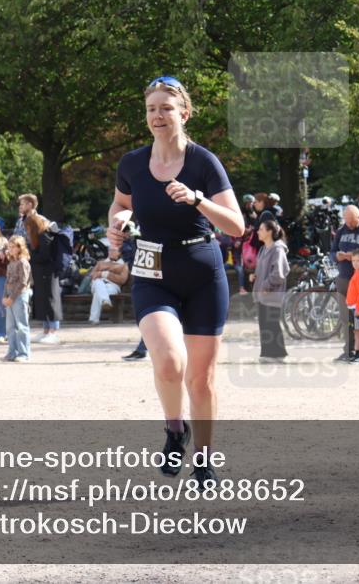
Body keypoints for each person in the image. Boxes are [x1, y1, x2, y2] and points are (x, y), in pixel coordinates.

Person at [106, 75, 244, 489]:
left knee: (201, 379)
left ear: (184, 114)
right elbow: (121, 203)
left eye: (166, 108)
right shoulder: (132, 164)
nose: (158, 116)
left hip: (202, 272)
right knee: (168, 361)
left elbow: (236, 226)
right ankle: (174, 429)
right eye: (151, 109)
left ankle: (203, 461)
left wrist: (198, 199)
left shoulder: (204, 162)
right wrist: (119, 220)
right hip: (153, 270)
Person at [330, 205, 359, 360]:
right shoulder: (341, 231)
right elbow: (332, 251)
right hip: (344, 278)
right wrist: (337, 256)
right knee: (345, 318)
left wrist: (357, 256)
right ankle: (348, 350)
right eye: (346, 221)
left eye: (352, 221)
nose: (349, 224)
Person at [251, 219, 289, 362]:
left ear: (269, 232)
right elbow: (263, 270)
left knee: (272, 324)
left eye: (261, 229)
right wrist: (255, 276)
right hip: (262, 294)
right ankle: (267, 354)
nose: (258, 232)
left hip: (271, 294)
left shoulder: (278, 249)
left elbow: (279, 273)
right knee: (264, 324)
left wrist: (266, 286)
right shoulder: (263, 249)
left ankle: (278, 354)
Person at [27, 213, 62, 344]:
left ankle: (53, 331)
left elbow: (45, 256)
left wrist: (30, 257)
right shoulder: (40, 236)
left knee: (51, 301)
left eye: (28, 227)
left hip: (48, 274)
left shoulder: (45, 236)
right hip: (41, 274)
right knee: (43, 302)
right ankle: (46, 330)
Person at [1, 236, 33, 362]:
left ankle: (24, 353)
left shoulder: (23, 263)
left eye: (13, 246)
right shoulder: (11, 263)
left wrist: (12, 298)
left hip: (19, 296)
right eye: (9, 246)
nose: (10, 249)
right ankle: (12, 352)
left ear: (20, 248)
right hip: (10, 296)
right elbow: (7, 281)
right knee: (10, 327)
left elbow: (23, 283)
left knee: (21, 326)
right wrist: (5, 296)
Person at [86, 245, 129, 325]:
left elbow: (122, 280)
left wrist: (105, 274)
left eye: (113, 250)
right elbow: (92, 275)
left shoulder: (123, 265)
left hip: (112, 286)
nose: (110, 252)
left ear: (119, 253)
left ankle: (94, 319)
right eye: (109, 250)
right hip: (97, 282)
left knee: (98, 292)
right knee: (98, 282)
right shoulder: (101, 263)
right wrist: (101, 275)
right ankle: (105, 301)